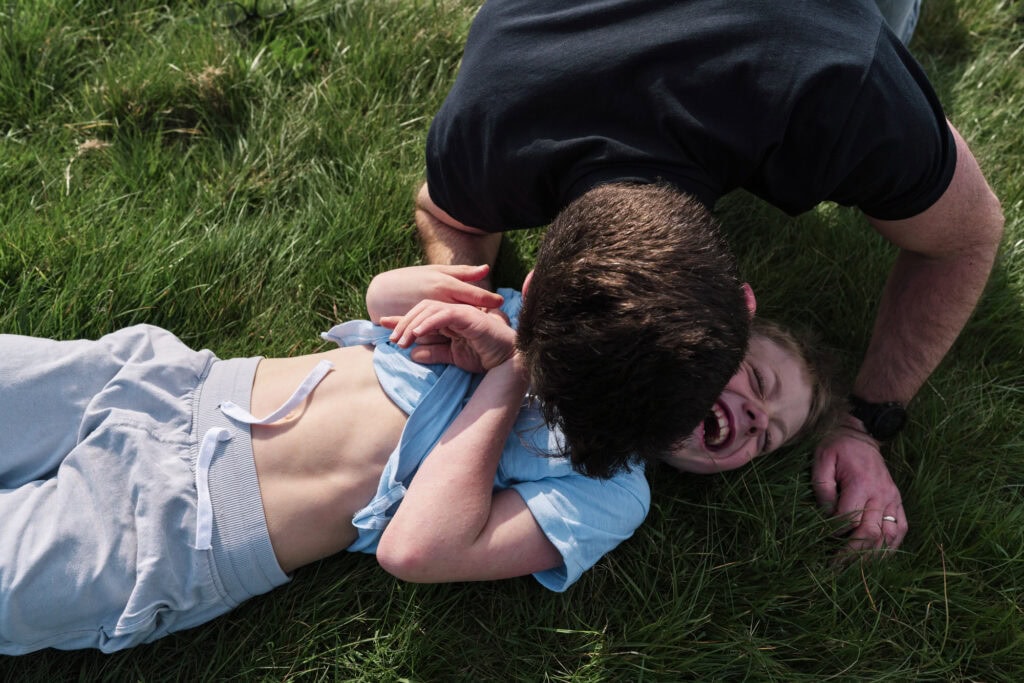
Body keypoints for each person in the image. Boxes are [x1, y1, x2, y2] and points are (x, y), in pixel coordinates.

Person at [414, 0, 1004, 555]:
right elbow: (445, 212)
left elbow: (969, 236)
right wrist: (478, 306)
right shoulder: (492, 123)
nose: (746, 412)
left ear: (744, 299)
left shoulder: (843, 94)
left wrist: (866, 421)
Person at [0, 264, 833, 654]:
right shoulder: (550, 323)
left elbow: (419, 549)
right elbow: (381, 300)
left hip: (182, 531)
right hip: (168, 385)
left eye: (767, 435)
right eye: (756, 382)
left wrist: (512, 370)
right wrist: (488, 303)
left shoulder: (608, 491)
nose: (753, 418)